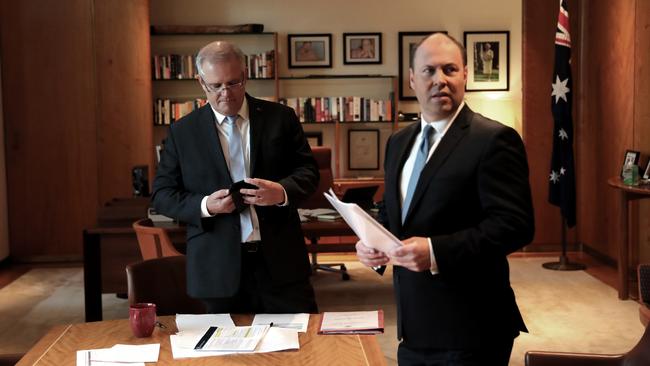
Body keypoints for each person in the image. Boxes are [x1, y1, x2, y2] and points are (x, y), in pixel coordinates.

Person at [355, 33, 534, 365]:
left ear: (465, 74)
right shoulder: (397, 142)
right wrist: (372, 243)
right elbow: (394, 213)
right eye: (429, 71)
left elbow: (516, 226)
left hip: (472, 326)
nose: (440, 80)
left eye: (450, 69)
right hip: (413, 324)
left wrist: (436, 251)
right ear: (412, 79)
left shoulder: (494, 140)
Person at [152, 41, 319, 314]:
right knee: (224, 355)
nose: (226, 94)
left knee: (301, 350)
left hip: (281, 264)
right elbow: (162, 194)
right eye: (215, 86)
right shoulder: (183, 132)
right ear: (200, 82)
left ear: (245, 76)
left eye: (233, 83)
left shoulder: (282, 118)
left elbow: (308, 173)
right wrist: (206, 205)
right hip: (216, 268)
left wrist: (282, 192)